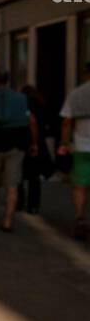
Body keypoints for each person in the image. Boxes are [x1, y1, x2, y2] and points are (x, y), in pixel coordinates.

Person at [0, 68, 37, 232]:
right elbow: (31, 120)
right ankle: (8, 220)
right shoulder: (20, 98)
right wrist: (34, 143)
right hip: (16, 145)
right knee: (12, 185)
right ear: (8, 80)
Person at [58, 62, 90, 240]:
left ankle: (79, 218)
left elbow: (66, 122)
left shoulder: (76, 94)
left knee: (79, 186)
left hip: (81, 146)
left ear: (86, 73)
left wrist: (64, 143)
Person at [19, 85, 52, 215]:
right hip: (39, 143)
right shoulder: (41, 105)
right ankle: (33, 205)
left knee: (19, 175)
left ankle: (19, 202)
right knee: (34, 177)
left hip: (25, 142)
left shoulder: (22, 106)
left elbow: (31, 123)